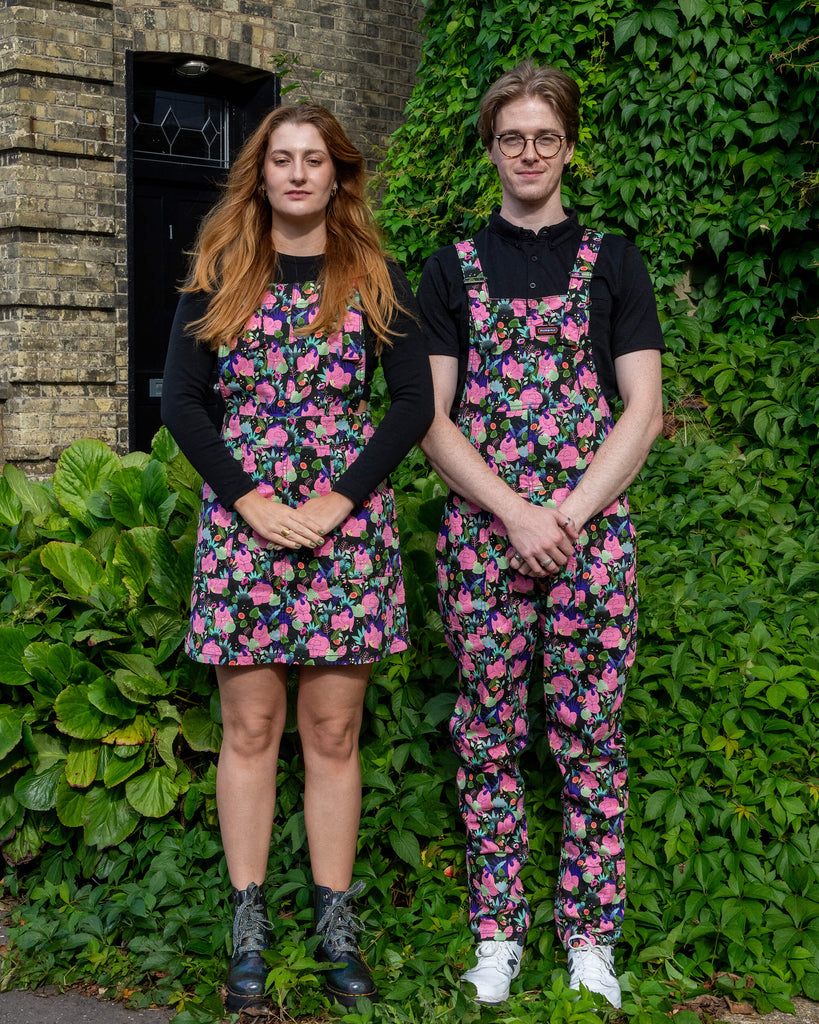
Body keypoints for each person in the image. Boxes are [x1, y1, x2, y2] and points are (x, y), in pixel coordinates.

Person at [161, 103, 433, 1015]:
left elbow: (407, 405)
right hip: (245, 526)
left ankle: (333, 926)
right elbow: (184, 406)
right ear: (261, 172)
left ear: (338, 173)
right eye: (281, 159)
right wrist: (251, 500)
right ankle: (247, 929)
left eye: (314, 159)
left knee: (331, 736)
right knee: (248, 731)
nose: (298, 174)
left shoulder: (372, 274)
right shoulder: (220, 270)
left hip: (343, 529)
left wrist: (336, 499)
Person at [417, 61, 664, 1008]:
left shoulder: (615, 260)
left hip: (590, 534)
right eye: (511, 137)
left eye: (544, 137)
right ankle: (496, 935)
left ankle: (591, 939)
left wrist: (564, 516)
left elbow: (639, 412)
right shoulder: (450, 266)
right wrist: (514, 514)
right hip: (486, 538)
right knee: (486, 736)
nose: (528, 152)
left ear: (567, 145)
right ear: (491, 149)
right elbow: (430, 419)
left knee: (590, 736)